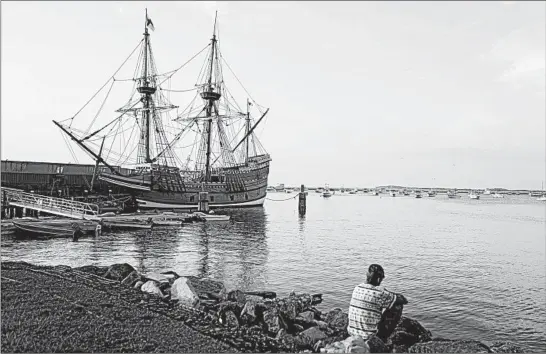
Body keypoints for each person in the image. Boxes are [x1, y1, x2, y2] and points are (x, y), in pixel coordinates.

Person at [348, 264, 408, 342]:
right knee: (397, 305)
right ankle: (384, 339)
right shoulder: (380, 292)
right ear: (379, 279)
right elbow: (403, 300)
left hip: (351, 333)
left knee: (379, 305)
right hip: (368, 337)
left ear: (367, 275)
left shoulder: (357, 288)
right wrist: (388, 293)